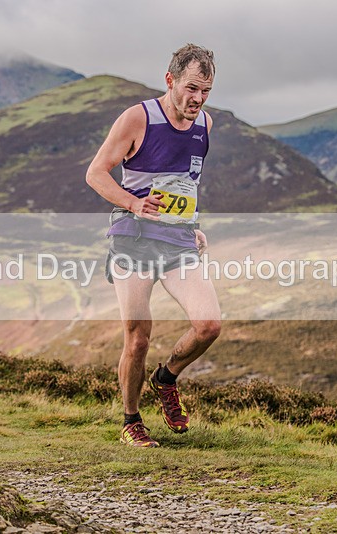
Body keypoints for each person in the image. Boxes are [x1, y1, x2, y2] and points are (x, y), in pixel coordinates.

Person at [86, 44, 222, 447]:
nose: (197, 99)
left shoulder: (205, 126)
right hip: (134, 238)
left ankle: (166, 379)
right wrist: (132, 202)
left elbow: (186, 182)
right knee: (138, 335)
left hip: (178, 240)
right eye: (191, 88)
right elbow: (96, 173)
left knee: (209, 324)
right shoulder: (137, 119)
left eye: (206, 91)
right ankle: (131, 420)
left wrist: (191, 224)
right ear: (170, 80)